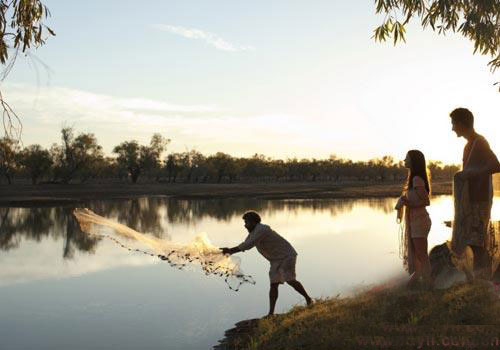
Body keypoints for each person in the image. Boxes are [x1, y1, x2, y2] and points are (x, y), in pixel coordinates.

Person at [221, 211, 312, 316]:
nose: (245, 225)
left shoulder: (262, 230)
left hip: (287, 255)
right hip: (275, 260)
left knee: (290, 280)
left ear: (254, 222)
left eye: (247, 222)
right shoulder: (254, 232)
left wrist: (230, 251)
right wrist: (227, 251)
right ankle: (271, 314)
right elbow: (245, 243)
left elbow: (247, 245)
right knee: (274, 284)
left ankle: (308, 299)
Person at [449, 107, 500, 279]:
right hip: (471, 201)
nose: (452, 128)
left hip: (480, 200)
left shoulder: (480, 142)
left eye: (453, 124)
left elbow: (496, 165)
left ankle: (484, 280)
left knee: (477, 243)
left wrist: (471, 173)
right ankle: (481, 279)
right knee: (471, 241)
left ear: (462, 123)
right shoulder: (468, 145)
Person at [395, 150, 432, 288]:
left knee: (422, 256)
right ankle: (419, 282)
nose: (404, 160)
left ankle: (428, 285)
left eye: (407, 158)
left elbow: (426, 201)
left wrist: (408, 204)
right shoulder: (413, 179)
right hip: (416, 221)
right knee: (418, 256)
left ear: (413, 161)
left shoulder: (417, 179)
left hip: (420, 221)